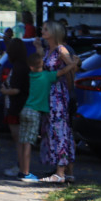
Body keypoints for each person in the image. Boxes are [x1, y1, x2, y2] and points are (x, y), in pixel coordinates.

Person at [3, 50, 80, 185]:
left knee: (22, 141)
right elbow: (63, 72)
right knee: (28, 143)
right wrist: (73, 63)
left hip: (25, 110)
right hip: (34, 113)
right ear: (43, 64)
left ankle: (22, 170)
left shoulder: (31, 75)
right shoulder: (47, 76)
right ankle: (25, 173)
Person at [38, 20, 78, 184]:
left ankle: (60, 173)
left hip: (58, 95)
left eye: (46, 29)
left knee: (59, 130)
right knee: (53, 130)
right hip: (50, 94)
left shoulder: (61, 50)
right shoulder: (49, 50)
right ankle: (66, 171)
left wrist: (69, 72)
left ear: (54, 32)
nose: (43, 31)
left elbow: (73, 67)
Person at [0, 38, 35, 181]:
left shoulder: (19, 67)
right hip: (18, 106)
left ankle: (21, 168)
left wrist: (4, 91)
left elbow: (16, 89)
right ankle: (20, 166)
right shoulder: (23, 65)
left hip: (16, 107)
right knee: (20, 140)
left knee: (19, 141)